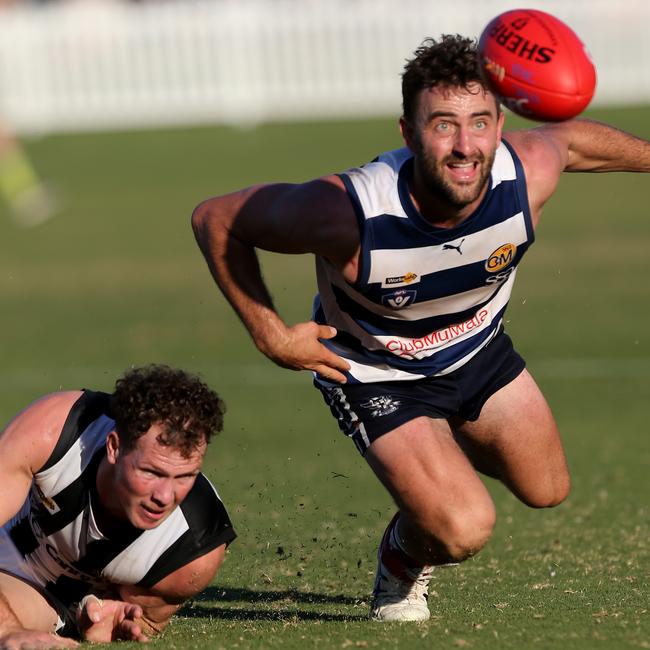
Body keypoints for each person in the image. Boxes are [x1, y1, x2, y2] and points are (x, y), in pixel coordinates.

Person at [191, 35, 650, 622]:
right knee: (462, 526)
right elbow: (217, 218)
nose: (465, 146)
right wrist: (273, 335)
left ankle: (432, 468)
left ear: (501, 123)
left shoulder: (526, 173)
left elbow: (572, 140)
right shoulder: (347, 213)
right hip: (376, 375)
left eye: (480, 122)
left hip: (477, 351)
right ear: (408, 133)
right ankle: (403, 560)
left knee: (547, 489)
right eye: (443, 125)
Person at [0, 364, 236, 648]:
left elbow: (140, 618)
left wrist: (102, 619)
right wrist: (7, 629)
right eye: (152, 472)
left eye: (185, 476)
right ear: (114, 446)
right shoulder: (56, 430)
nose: (165, 496)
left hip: (42, 599)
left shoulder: (190, 552)